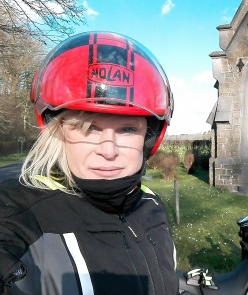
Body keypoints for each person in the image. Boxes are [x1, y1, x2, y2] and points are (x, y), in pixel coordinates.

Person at [0, 32, 178, 294]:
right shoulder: (20, 214)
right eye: (89, 129)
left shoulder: (150, 206)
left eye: (127, 130)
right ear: (57, 133)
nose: (108, 151)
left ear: (149, 138)